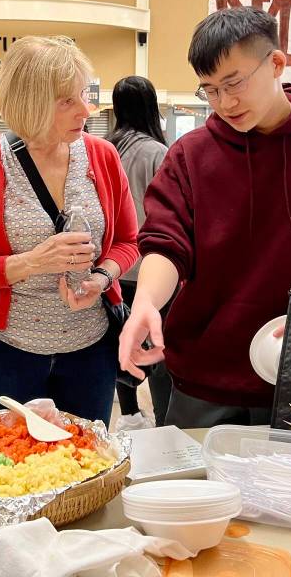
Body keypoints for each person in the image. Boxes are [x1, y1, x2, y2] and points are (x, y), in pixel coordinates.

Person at [119, 7, 291, 429]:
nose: (224, 103)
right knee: (196, 471)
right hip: (205, 374)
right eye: (210, 90)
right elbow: (166, 243)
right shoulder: (191, 154)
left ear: (276, 63)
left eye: (234, 83)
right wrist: (146, 300)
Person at [0, 36, 138, 425]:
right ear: (30, 103)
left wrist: (102, 276)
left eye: (83, 95)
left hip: (89, 351)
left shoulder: (102, 156)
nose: (85, 110)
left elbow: (128, 241)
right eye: (66, 101)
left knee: (85, 455)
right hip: (5, 351)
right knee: (9, 455)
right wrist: (33, 262)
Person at [106, 76, 173, 432]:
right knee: (158, 343)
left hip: (113, 267)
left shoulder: (104, 148)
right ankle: (163, 418)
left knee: (125, 338)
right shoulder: (157, 153)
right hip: (152, 268)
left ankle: (130, 414)